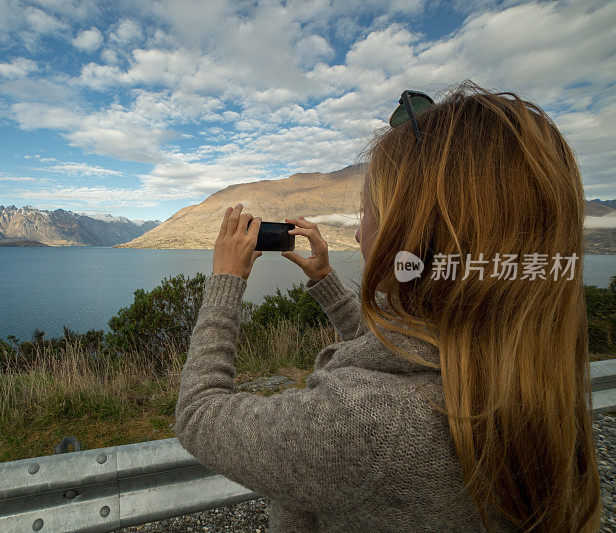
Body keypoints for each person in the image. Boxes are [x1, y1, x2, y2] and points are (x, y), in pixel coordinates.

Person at [174, 81, 602, 532]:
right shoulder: (532, 370)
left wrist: (226, 280)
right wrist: (325, 281)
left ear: (417, 232)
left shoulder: (364, 423)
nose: (359, 236)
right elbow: (407, 353)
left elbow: (200, 414)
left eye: (370, 212)